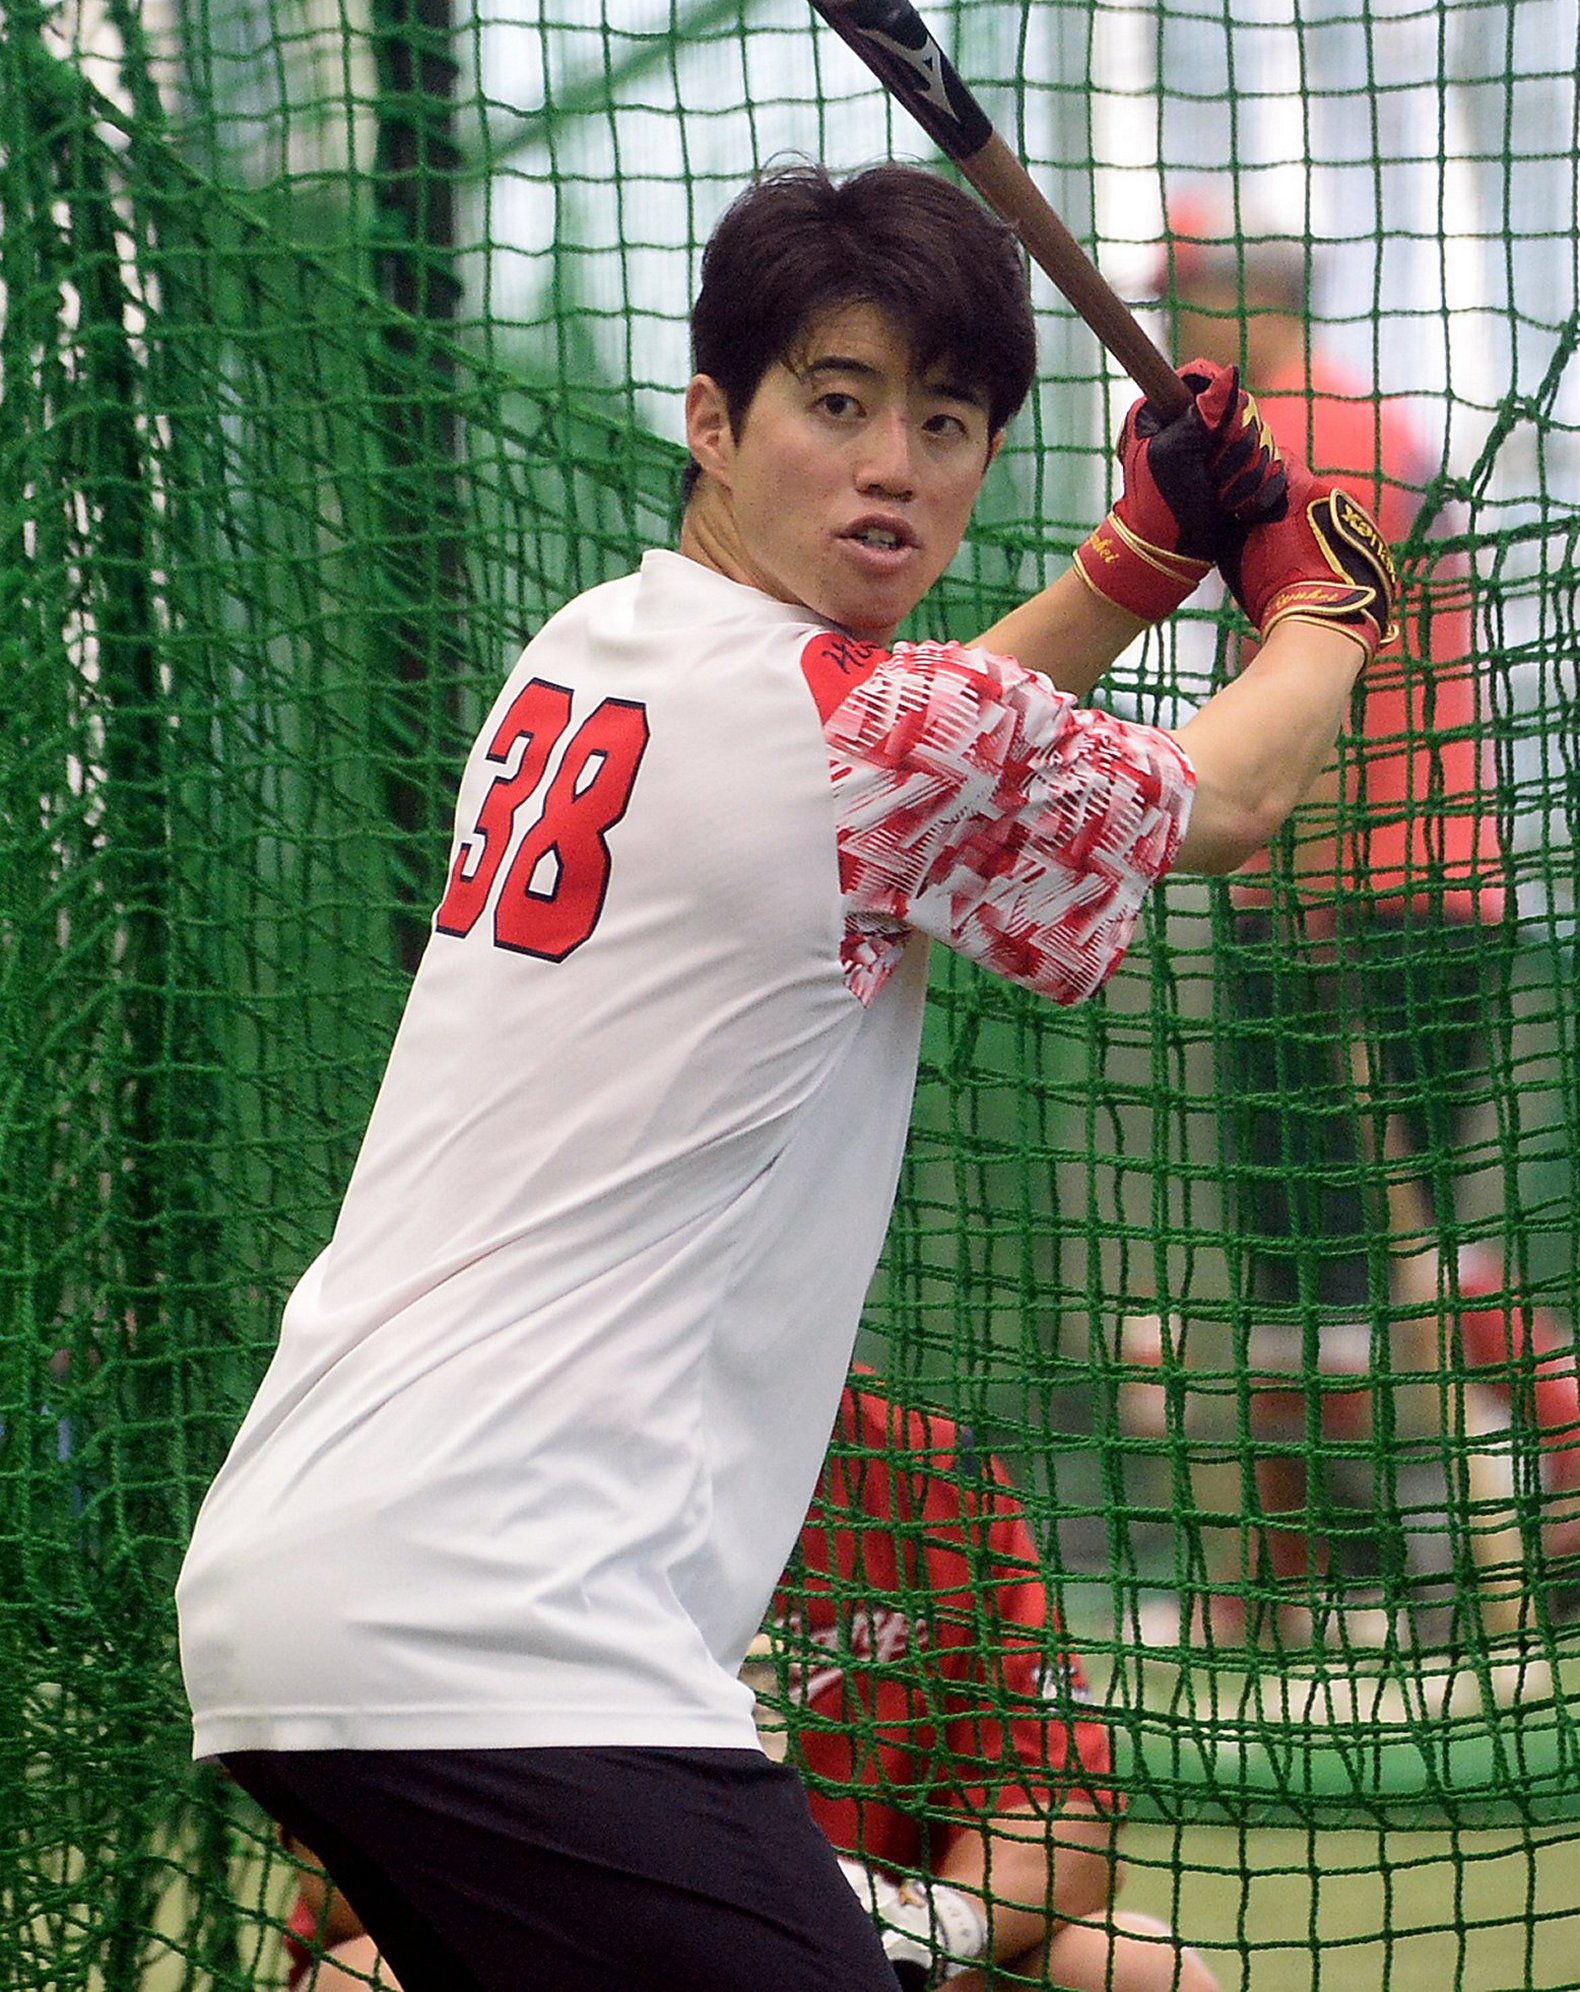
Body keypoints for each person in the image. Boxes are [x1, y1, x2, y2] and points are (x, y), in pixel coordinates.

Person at [175, 158, 1394, 1992]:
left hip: (322, 1575)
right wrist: (1323, 610)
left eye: (946, 421)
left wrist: (1133, 572)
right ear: (711, 422)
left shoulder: (592, 647)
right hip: (509, 1622)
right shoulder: (868, 736)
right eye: (836, 403)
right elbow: (1234, 794)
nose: (893, 464)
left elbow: (909, 769)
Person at [275, 1377, 1220, 1992]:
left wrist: (922, 1931)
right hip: (574, 1950)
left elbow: (1059, 1824)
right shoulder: (489, 1471)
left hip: (877, 1969)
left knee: (1133, 1967)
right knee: (357, 1981)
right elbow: (349, 1882)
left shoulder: (929, 1469)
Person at [1152, 187, 1506, 1647]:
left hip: (1360, 899)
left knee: (1338, 1265)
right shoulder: (1341, 423)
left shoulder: (1309, 434)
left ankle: (1402, 1582)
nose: (1174, 328)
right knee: (1348, 1263)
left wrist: (1298, 894)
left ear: (1260, 298)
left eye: (1189, 298)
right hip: (1385, 893)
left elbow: (1331, 691)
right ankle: (1382, 1582)